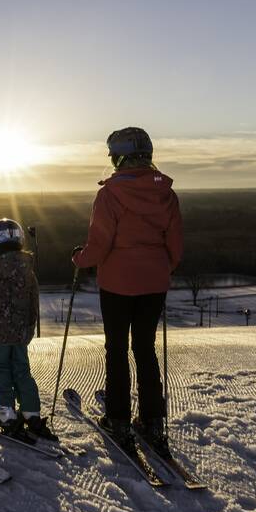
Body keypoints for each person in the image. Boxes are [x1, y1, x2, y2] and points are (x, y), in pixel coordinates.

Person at [72, 127, 183, 455]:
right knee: (145, 349)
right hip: (154, 285)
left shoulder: (110, 195)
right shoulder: (167, 194)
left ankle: (118, 420)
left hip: (118, 285)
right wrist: (161, 269)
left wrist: (80, 259)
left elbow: (99, 245)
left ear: (119, 157)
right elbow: (175, 246)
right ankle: (152, 420)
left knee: (117, 350)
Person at [0, 218, 57, 440]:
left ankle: (6, 415)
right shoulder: (28, 271)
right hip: (19, 335)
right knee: (21, 371)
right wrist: (29, 327)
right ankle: (31, 413)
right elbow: (33, 302)